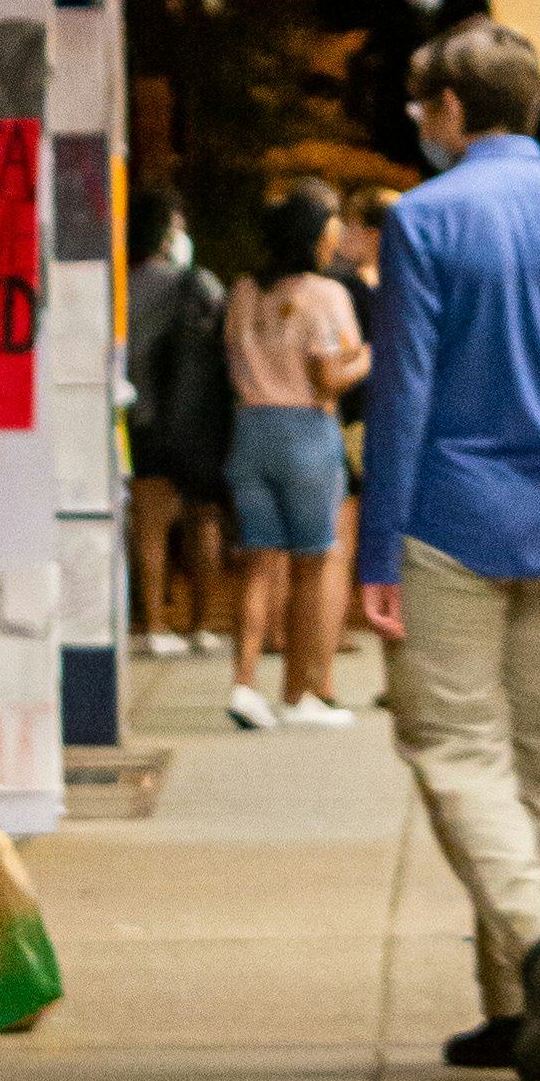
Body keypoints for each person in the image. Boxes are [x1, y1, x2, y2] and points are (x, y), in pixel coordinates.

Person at [352, 20, 540, 1081]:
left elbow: (403, 395)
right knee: (533, 751)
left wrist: (374, 543)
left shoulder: (423, 220)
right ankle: (520, 1010)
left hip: (447, 520)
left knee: (453, 747)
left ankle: (534, 939)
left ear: (448, 111)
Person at [219, 179, 370, 728]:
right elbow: (328, 378)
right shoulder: (325, 294)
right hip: (306, 432)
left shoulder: (243, 291)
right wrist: (368, 357)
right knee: (311, 563)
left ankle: (243, 684)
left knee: (259, 563)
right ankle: (300, 692)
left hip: (249, 430)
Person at [123, 186, 232, 652]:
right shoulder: (197, 283)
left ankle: (155, 626)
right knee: (202, 519)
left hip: (142, 415)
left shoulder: (119, 284)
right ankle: (202, 624)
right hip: (194, 419)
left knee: (150, 523)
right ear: (168, 230)